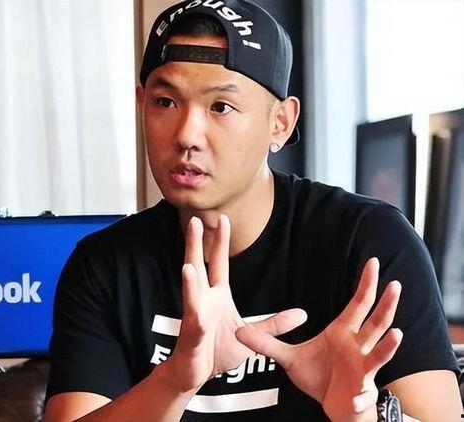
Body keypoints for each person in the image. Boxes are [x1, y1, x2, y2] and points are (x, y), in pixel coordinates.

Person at [44, 1, 462, 420]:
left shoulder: (368, 242)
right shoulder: (105, 265)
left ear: (280, 122)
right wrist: (175, 379)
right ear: (141, 105)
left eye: (220, 107)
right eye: (165, 102)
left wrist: (362, 415)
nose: (187, 135)